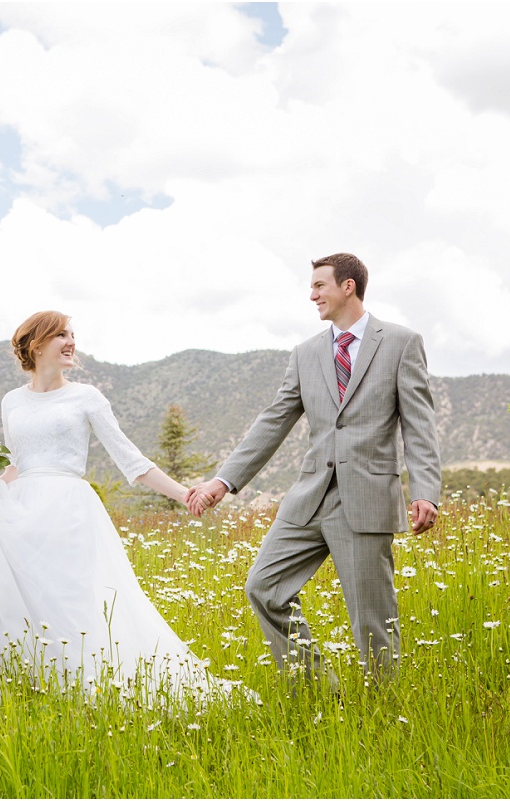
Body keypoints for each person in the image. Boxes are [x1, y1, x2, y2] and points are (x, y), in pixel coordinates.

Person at [0, 310, 251, 704]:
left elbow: (130, 459)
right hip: (20, 514)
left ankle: (90, 693)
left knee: (74, 602)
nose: (71, 342)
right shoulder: (12, 402)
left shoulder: (86, 396)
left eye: (73, 335)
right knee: (21, 603)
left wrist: (184, 494)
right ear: (36, 345)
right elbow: (18, 463)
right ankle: (32, 690)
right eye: (61, 336)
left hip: (68, 511)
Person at [187, 253, 441, 682]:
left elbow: (419, 424)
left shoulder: (400, 342)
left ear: (348, 287)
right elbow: (274, 419)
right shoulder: (305, 354)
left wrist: (425, 490)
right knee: (263, 588)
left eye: (319, 285)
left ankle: (383, 712)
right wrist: (223, 481)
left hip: (366, 499)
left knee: (371, 619)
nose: (312, 295)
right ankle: (320, 690)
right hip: (308, 498)